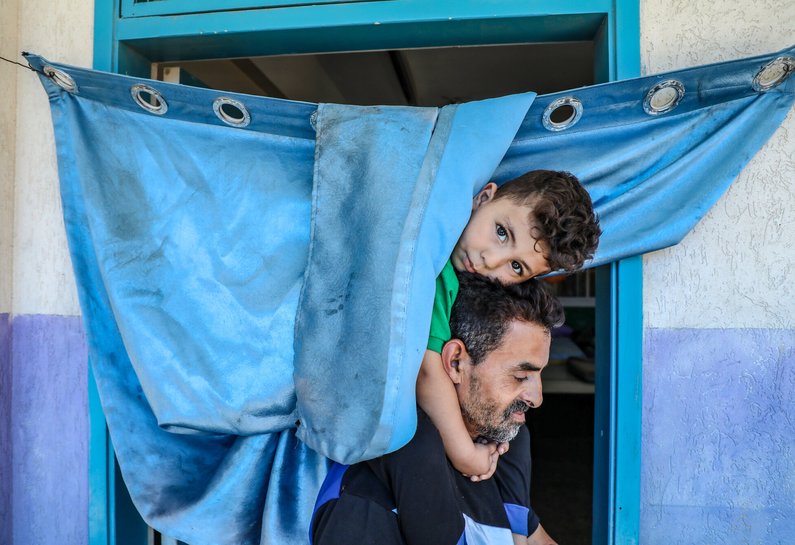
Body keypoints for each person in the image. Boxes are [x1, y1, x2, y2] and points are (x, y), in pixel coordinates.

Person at [311, 272, 564, 545]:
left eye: (539, 375)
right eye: (519, 376)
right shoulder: (365, 506)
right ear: (456, 362)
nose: (536, 399)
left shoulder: (496, 453)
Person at [418, 169, 600, 480]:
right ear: (484, 198)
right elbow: (427, 370)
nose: (491, 260)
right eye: (502, 232)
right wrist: (464, 453)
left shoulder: (465, 285)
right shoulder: (435, 271)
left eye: (516, 267)